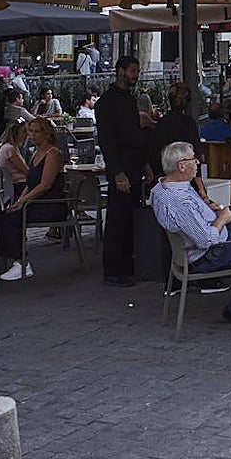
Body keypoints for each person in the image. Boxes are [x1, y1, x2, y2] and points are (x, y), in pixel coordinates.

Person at [150, 141, 231, 325]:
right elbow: (206, 240)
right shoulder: (180, 201)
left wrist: (206, 208)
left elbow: (190, 219)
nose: (197, 162)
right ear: (181, 166)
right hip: (206, 255)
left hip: (199, 247)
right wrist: (222, 217)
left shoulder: (163, 187)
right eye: (193, 159)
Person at [96, 56, 154, 287]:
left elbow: (135, 136)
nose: (136, 75)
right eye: (132, 71)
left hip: (133, 163)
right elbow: (107, 141)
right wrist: (117, 172)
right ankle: (113, 269)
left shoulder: (129, 100)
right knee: (118, 217)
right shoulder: (106, 103)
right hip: (120, 164)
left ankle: (127, 266)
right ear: (120, 71)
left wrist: (144, 164)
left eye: (137, 71)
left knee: (130, 216)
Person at [0, 117, 67, 281]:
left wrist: (23, 201)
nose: (32, 135)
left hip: (50, 205)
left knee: (13, 218)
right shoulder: (35, 154)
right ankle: (8, 258)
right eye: (30, 132)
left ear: (46, 133)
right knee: (1, 216)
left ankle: (22, 262)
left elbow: (45, 185)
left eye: (36, 132)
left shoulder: (52, 154)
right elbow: (30, 182)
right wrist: (19, 201)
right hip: (35, 202)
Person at [151, 83, 202, 178]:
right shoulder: (188, 123)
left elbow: (154, 152)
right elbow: (196, 152)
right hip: (186, 176)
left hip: (165, 175)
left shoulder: (161, 124)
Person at [0, 119, 30, 204]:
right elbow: (26, 171)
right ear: (16, 134)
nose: (27, 135)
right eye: (24, 132)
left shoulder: (10, 147)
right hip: (19, 184)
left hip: (14, 184)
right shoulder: (10, 150)